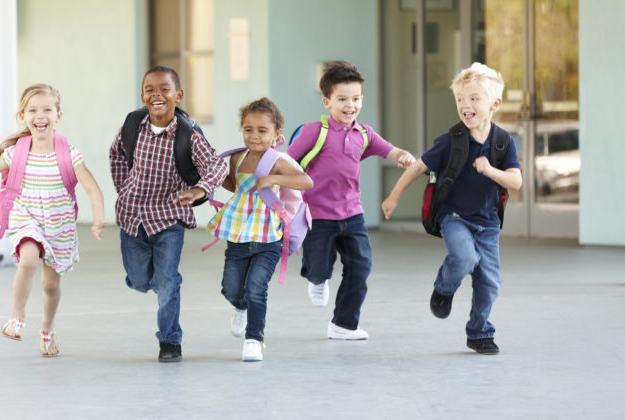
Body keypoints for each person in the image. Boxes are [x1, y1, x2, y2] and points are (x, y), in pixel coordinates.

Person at [381, 63, 521, 355]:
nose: (465, 105)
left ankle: (479, 332)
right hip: (454, 217)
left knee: (490, 283)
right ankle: (444, 289)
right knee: (464, 257)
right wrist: (393, 196)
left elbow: (516, 181)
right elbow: (419, 165)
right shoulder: (450, 141)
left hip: (488, 223)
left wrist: (490, 171)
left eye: (474, 99)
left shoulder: (503, 143)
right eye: (460, 99)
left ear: (494, 104)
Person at [0, 83, 105, 357]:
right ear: (23, 116)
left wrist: (98, 219)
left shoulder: (69, 154)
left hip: (59, 225)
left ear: (58, 115)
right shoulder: (15, 153)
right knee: (29, 260)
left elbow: (92, 189)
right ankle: (17, 317)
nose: (40, 115)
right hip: (26, 217)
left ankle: (47, 327)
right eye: (32, 110)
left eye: (47, 109)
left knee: (50, 284)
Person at [286, 61, 415, 340]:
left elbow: (391, 151)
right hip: (317, 214)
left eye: (356, 99)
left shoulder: (364, 134)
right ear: (327, 101)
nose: (350, 105)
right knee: (319, 266)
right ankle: (317, 279)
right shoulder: (314, 131)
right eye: (342, 99)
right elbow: (287, 162)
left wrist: (403, 157)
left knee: (361, 266)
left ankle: (343, 324)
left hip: (352, 214)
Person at [109, 66, 227, 362]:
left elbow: (217, 166)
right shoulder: (133, 125)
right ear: (142, 96)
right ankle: (158, 282)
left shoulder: (188, 134)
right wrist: (123, 188)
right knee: (138, 281)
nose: (157, 94)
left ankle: (170, 341)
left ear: (178, 95)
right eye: (150, 89)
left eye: (164, 89)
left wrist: (200, 190)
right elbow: (116, 155)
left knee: (168, 281)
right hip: (132, 216)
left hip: (168, 217)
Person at [207, 97, 312, 361]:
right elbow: (233, 185)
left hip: (268, 237)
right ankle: (240, 307)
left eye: (262, 131)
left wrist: (275, 178)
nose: (254, 136)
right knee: (231, 287)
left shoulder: (277, 160)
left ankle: (254, 338)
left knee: (257, 286)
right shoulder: (237, 159)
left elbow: (306, 181)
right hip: (239, 234)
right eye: (248, 129)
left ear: (277, 134)